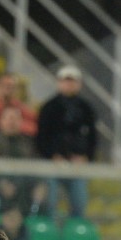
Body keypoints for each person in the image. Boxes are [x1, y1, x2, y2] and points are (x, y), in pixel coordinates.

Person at [35, 64, 96, 220]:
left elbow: (93, 137)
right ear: (59, 82)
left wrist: (85, 157)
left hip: (77, 165)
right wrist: (52, 156)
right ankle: (52, 234)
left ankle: (74, 235)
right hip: (53, 164)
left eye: (72, 81)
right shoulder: (49, 107)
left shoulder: (86, 109)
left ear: (79, 84)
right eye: (65, 80)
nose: (69, 84)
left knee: (79, 202)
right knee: (51, 201)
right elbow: (41, 137)